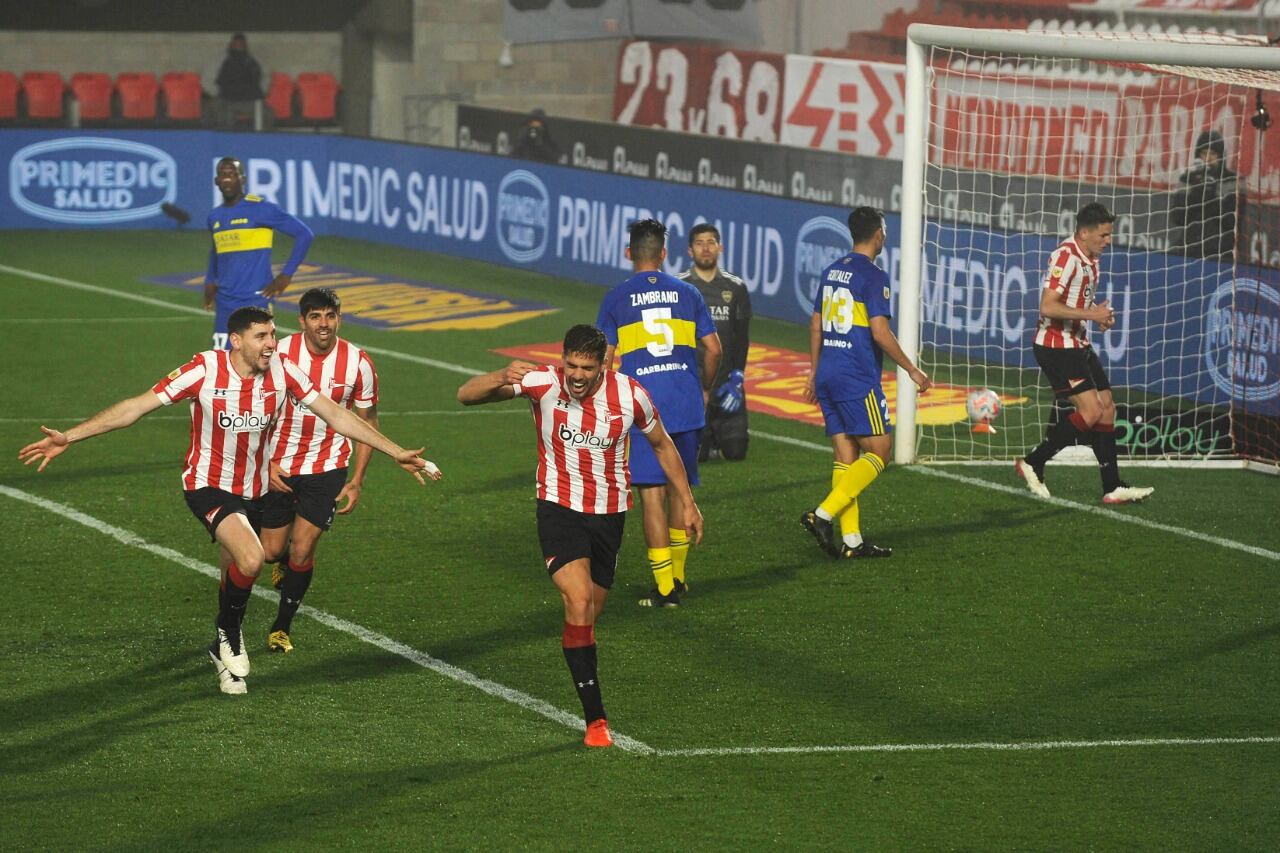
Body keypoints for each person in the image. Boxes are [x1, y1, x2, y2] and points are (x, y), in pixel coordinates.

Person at [19, 306, 440, 696]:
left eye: (273, 335)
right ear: (235, 341)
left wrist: (393, 450)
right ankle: (229, 632)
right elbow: (136, 407)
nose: (271, 344)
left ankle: (222, 648)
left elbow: (336, 414)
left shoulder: (284, 372)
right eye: (261, 337)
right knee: (254, 560)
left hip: (256, 492)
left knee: (236, 571)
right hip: (207, 485)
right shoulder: (204, 369)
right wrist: (70, 437)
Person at [456, 324, 703, 748]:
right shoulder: (542, 383)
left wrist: (687, 501)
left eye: (586, 367)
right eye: (570, 364)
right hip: (558, 508)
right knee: (579, 599)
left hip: (609, 516)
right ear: (562, 358)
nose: (575, 375)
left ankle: (577, 653)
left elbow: (662, 445)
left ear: (603, 364)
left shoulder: (631, 396)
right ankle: (596, 721)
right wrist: (500, 376)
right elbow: (466, 395)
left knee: (589, 613)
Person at [596, 219, 721, 608]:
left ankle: (666, 588)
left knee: (652, 495)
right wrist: (703, 387)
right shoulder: (688, 292)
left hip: (645, 408)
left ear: (629, 253)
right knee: (679, 493)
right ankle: (679, 578)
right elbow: (715, 350)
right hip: (685, 405)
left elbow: (604, 361)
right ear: (664, 254)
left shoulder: (616, 299)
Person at [800, 207, 932, 559]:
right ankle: (823, 514)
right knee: (880, 451)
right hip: (855, 375)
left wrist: (815, 372)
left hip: (828, 370)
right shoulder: (874, 276)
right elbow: (879, 332)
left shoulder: (832, 271)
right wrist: (911, 369)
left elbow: (815, 324)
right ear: (878, 235)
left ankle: (852, 541)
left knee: (847, 455)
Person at [260, 288, 380, 654]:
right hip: (279, 461)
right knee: (270, 550)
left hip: (328, 466)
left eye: (330, 315)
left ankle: (281, 627)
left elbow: (367, 423)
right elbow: (256, 407)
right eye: (315, 316)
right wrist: (265, 461)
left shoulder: (359, 362)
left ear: (339, 318)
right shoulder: (279, 355)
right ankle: (278, 561)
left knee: (303, 547)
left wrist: (357, 479)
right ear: (302, 321)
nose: (323, 324)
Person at [1015, 202, 1154, 505]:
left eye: (1109, 235)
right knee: (1091, 411)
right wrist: (1091, 316)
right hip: (1055, 346)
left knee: (1107, 407)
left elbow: (1075, 306)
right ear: (1085, 232)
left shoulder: (1091, 259)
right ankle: (1034, 461)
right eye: (1103, 235)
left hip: (1077, 343)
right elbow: (1047, 306)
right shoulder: (1065, 258)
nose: (1108, 240)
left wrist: (1097, 316)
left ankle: (1112, 486)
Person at [205, 156, 313, 351]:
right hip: (225, 303)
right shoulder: (215, 217)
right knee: (220, 365)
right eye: (223, 175)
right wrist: (210, 280)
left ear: (242, 180)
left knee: (260, 363)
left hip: (255, 300)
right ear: (217, 181)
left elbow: (304, 234)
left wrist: (286, 275)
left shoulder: (260, 209)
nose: (228, 179)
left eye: (232, 174)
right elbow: (216, 250)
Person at [678, 223, 752, 462]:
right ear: (690, 251)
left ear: (720, 247)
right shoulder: (679, 287)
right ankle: (705, 434)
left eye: (711, 243)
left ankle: (719, 434)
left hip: (726, 383)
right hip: (692, 383)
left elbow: (741, 336)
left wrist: (738, 377)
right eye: (699, 244)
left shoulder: (736, 287)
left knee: (736, 452)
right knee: (697, 455)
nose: (706, 248)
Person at [1170, 129, 1242, 260]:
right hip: (1189, 250)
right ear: (1198, 156)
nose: (1208, 159)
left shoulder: (1233, 180)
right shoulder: (1187, 178)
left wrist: (1211, 192)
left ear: (1221, 156)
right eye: (1204, 153)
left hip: (1220, 254)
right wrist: (1198, 191)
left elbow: (1231, 222)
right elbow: (1178, 217)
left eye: (1213, 154)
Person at [214, 32, 265, 129]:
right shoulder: (221, 62)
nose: (238, 47)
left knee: (266, 115)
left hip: (250, 102)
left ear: (245, 46)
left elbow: (260, 82)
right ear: (231, 45)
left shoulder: (253, 62)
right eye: (236, 45)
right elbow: (214, 82)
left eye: (241, 45)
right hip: (227, 102)